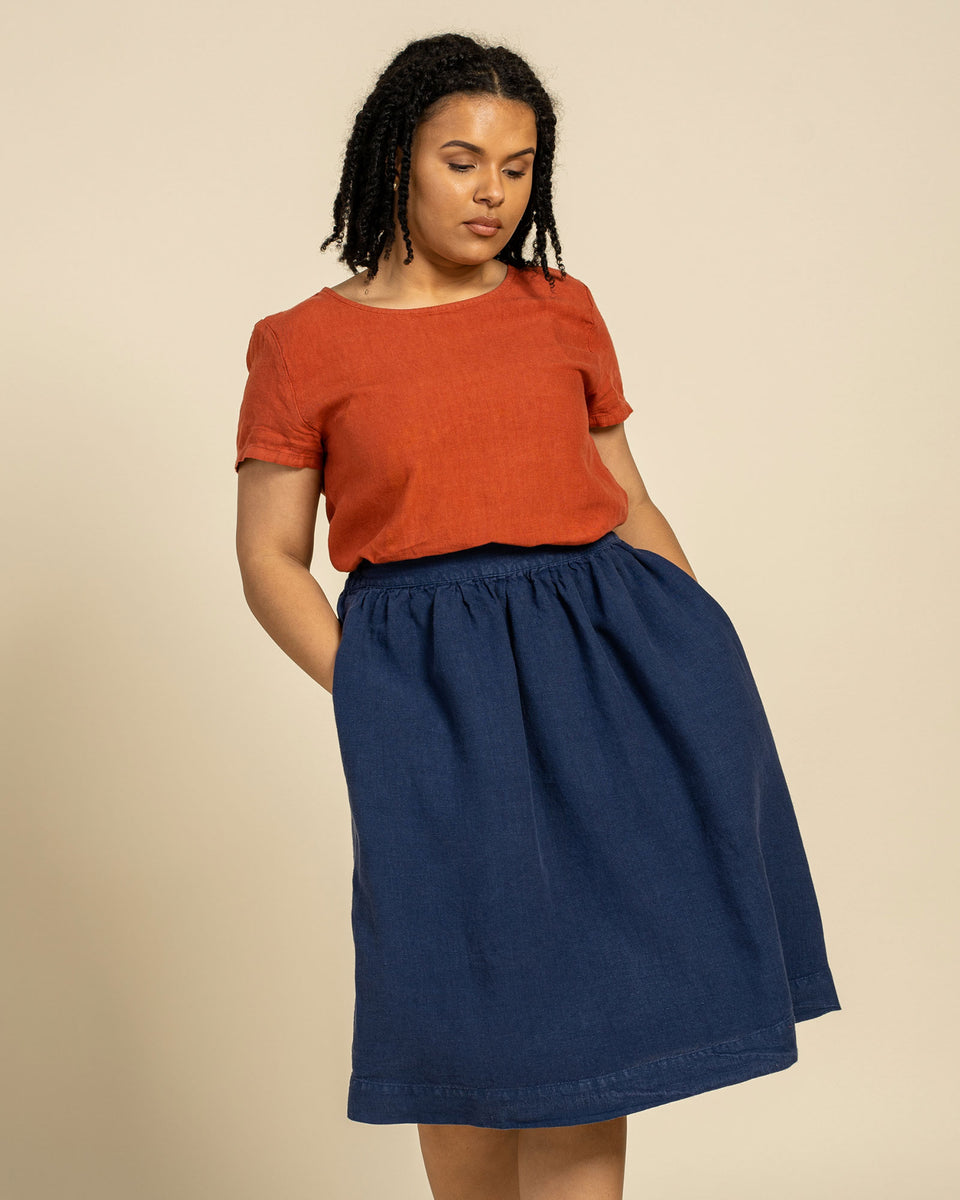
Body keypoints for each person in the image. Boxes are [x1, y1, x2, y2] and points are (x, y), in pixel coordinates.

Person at [234, 32, 841, 1200]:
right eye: (462, 161)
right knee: (455, 1007)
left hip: (613, 667)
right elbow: (268, 557)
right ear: (396, 161)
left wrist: (702, 654)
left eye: (518, 168)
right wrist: (373, 692)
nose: (494, 193)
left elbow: (629, 500)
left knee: (595, 1009)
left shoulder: (563, 309)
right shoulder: (302, 344)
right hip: (430, 688)